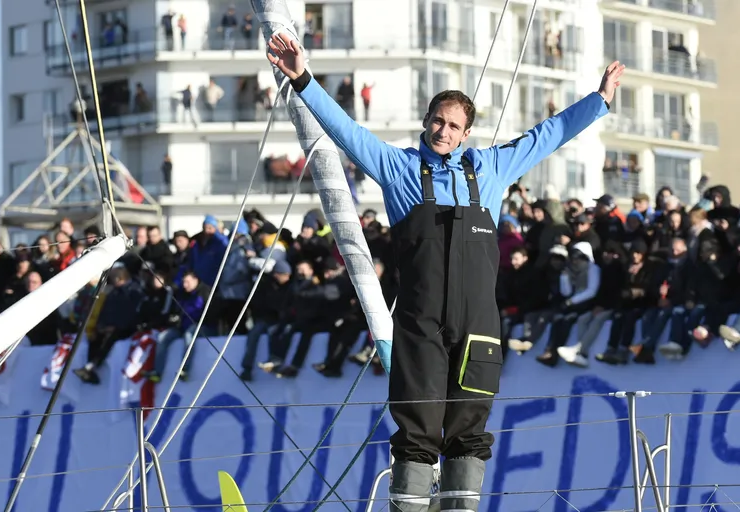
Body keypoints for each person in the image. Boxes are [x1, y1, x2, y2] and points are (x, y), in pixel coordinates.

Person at [267, 32, 623, 512]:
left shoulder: (490, 169)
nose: (445, 132)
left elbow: (549, 134)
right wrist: (302, 79)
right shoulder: (398, 168)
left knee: (469, 427)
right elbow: (347, 131)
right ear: (426, 121)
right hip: (421, 326)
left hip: (479, 326)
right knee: (416, 424)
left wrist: (599, 100)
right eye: (438, 121)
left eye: (455, 126)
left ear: (467, 133)